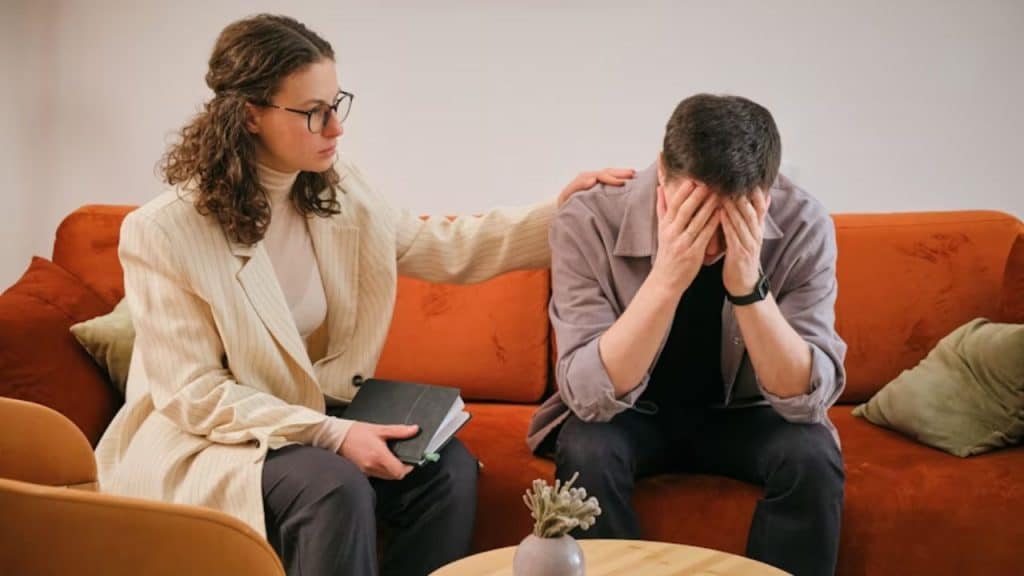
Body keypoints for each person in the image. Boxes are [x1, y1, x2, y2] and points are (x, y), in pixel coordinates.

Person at [94, 13, 633, 576]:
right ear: (250, 115)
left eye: (336, 104)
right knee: (334, 485)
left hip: (306, 413)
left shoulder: (334, 187)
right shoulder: (163, 232)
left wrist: (564, 214)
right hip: (209, 438)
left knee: (446, 470)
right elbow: (195, 393)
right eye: (314, 112)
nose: (336, 128)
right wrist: (333, 433)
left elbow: (434, 244)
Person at [527, 93, 847, 576]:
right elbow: (589, 395)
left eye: (732, 222)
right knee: (587, 448)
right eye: (693, 213)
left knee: (813, 455)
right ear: (662, 173)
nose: (710, 245)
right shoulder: (589, 219)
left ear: (767, 194)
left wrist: (748, 287)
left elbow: (807, 400)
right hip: (628, 414)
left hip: (748, 413)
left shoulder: (804, 223)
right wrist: (666, 279)